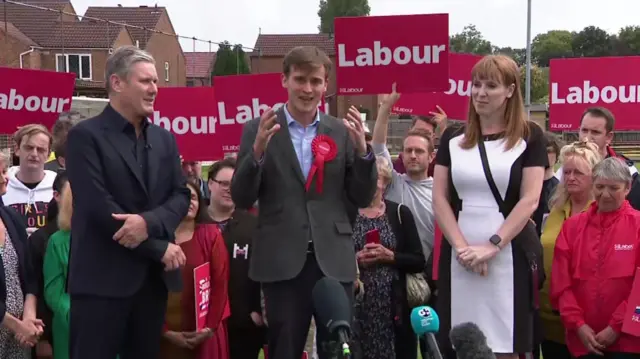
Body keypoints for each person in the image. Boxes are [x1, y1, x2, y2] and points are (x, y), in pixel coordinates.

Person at [230, 45, 377, 359]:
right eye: (300, 79)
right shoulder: (258, 129)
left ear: (326, 85)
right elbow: (242, 197)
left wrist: (364, 154)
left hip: (333, 261)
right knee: (284, 349)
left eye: (315, 81)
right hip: (281, 262)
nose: (307, 89)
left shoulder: (340, 131)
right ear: (285, 80)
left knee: (339, 348)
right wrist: (256, 153)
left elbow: (362, 196)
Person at [65, 45, 191, 359]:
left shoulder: (164, 139)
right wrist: (158, 247)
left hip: (151, 286)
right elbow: (97, 207)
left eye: (155, 82)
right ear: (117, 83)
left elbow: (181, 195)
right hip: (101, 284)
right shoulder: (85, 137)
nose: (154, 89)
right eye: (145, 81)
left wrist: (148, 223)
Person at [433, 54, 547, 359]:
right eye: (476, 84)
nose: (480, 93)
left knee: (506, 344)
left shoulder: (530, 137)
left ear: (510, 91)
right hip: (460, 255)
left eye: (491, 86)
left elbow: (530, 199)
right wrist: (461, 248)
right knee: (460, 343)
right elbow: (440, 198)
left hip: (507, 254)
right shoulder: (452, 138)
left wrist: (492, 246)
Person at [551, 157, 640, 359]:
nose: (605, 195)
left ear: (627, 188)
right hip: (583, 341)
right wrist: (578, 325)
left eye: (613, 188)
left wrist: (616, 327)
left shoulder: (637, 226)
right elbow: (561, 283)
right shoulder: (572, 228)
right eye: (599, 187)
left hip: (628, 343)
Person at [352, 156, 425, 359]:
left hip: (394, 308)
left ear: (384, 182)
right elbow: (334, 255)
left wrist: (391, 256)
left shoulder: (400, 213)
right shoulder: (347, 214)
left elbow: (419, 260)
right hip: (357, 306)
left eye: (374, 177)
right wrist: (355, 259)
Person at [539, 140, 602, 359]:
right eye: (566, 172)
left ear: (594, 176)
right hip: (548, 318)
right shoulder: (555, 210)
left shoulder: (600, 214)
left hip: (585, 323)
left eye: (578, 172)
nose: (571, 177)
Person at [161, 182, 230, 359]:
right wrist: (164, 331)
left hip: (203, 332)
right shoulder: (156, 236)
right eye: (183, 197)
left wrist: (209, 328)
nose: (190, 202)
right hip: (163, 334)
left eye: (193, 197)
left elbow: (220, 283)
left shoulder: (210, 235)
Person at [207, 158, 265, 359]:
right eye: (223, 184)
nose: (228, 190)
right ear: (210, 184)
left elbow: (265, 269)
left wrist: (257, 311)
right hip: (202, 327)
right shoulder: (195, 223)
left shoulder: (254, 225)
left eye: (234, 185)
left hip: (243, 325)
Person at [0, 150, 44, 358]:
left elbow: (28, 274)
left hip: (19, 337)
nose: (5, 177)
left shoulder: (11, 217)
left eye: (5, 171)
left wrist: (28, 317)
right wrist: (15, 324)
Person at [554, 107, 640, 210]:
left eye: (595, 132)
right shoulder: (564, 169)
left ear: (609, 137)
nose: (587, 137)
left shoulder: (628, 171)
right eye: (584, 130)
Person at [28, 170, 68, 359]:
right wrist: (43, 339)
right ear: (57, 196)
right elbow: (36, 287)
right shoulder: (42, 238)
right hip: (54, 329)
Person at [2, 125, 56, 233]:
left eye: (41, 150)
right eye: (29, 148)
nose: (34, 154)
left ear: (48, 154)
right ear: (17, 149)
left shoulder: (59, 186)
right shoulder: (3, 183)